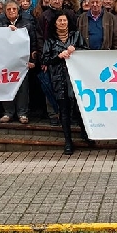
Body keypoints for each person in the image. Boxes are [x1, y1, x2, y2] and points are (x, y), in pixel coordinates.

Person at [42, 11, 91, 155]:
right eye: (59, 21)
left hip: (75, 78)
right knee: (64, 111)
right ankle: (68, 141)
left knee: (78, 108)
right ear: (55, 24)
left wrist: (76, 50)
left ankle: (86, 134)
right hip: (58, 79)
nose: (63, 23)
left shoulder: (76, 36)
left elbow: (86, 51)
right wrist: (58, 56)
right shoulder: (50, 40)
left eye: (64, 20)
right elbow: (45, 59)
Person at [35, 0, 76, 126]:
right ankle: (53, 113)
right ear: (49, 0)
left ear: (63, 1)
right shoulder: (43, 16)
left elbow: (75, 33)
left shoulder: (69, 14)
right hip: (51, 57)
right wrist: (43, 58)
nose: (57, 1)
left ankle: (68, 114)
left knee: (69, 88)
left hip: (68, 56)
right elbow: (40, 38)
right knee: (51, 86)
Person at [0, 0, 36, 124]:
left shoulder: (27, 23)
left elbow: (33, 42)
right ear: (5, 11)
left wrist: (33, 60)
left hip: (22, 62)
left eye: (14, 9)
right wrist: (5, 30)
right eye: (8, 9)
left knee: (23, 88)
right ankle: (8, 112)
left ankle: (22, 113)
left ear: (18, 10)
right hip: (5, 62)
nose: (11, 11)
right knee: (6, 86)